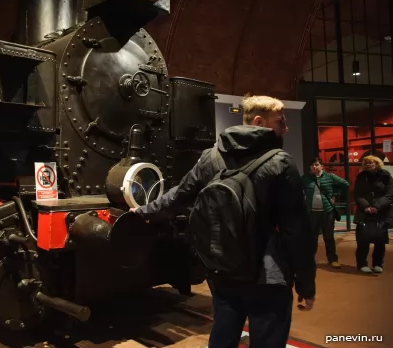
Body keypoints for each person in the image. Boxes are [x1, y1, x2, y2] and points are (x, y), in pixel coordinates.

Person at [130, 94, 316, 348]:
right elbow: (297, 230)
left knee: (223, 338)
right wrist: (306, 286)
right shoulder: (280, 162)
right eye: (280, 121)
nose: (285, 128)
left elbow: (179, 195)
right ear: (260, 121)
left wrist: (143, 212)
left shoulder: (211, 156)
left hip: (223, 268)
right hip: (268, 277)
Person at [301, 158, 349, 269]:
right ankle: (309, 260)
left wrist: (335, 193)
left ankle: (333, 260)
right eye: (312, 165)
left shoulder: (330, 177)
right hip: (312, 212)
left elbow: (345, 184)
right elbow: (296, 187)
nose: (314, 167)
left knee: (329, 237)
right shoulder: (305, 179)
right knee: (312, 238)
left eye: (316, 164)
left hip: (327, 212)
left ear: (322, 166)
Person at [353, 155, 393, 274]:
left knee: (380, 240)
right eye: (366, 163)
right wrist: (366, 207)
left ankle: (377, 264)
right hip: (364, 212)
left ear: (377, 163)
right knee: (362, 240)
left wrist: (377, 206)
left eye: (371, 162)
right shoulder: (361, 177)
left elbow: (390, 195)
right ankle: (362, 264)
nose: (369, 164)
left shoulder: (386, 176)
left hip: (381, 212)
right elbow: (357, 194)